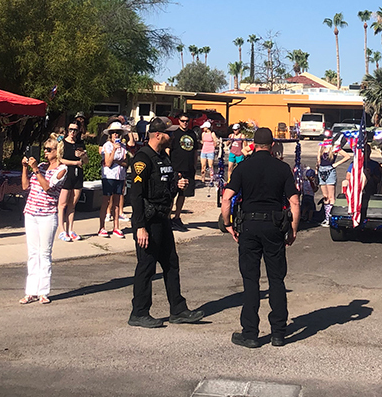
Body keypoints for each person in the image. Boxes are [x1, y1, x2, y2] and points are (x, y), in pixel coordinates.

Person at [222, 127, 300, 349]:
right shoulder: (282, 168)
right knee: (276, 280)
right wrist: (293, 229)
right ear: (273, 145)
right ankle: (278, 333)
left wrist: (227, 224)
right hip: (274, 227)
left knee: (251, 281)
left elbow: (227, 199)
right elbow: (294, 202)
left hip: (248, 227)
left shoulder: (242, 167)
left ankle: (251, 334)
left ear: (253, 144)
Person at [127, 117, 205, 328]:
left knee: (171, 264)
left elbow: (165, 187)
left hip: (163, 219)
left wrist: (177, 185)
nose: (171, 136)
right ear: (158, 135)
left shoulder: (163, 158)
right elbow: (136, 195)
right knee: (146, 266)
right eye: (168, 133)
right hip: (149, 222)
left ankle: (178, 309)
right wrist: (140, 226)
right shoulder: (143, 159)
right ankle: (139, 312)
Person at [19, 134, 67, 305]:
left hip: (47, 214)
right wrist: (25, 168)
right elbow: (25, 186)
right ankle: (30, 291)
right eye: (44, 149)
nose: (45, 153)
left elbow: (48, 187)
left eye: (49, 150)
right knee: (32, 253)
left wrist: (36, 170)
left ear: (57, 151)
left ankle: (43, 291)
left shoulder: (61, 170)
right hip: (31, 213)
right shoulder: (39, 166)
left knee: (44, 253)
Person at [58, 122, 88, 242]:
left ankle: (70, 229)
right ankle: (61, 229)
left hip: (77, 175)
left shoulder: (80, 144)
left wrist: (83, 156)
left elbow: (86, 161)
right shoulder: (62, 143)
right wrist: (75, 162)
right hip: (66, 174)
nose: (72, 132)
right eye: (70, 129)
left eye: (75, 130)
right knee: (62, 204)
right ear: (67, 130)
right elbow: (59, 159)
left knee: (73, 203)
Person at [98, 121, 129, 238]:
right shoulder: (107, 146)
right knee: (106, 201)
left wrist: (119, 161)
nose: (116, 135)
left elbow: (126, 162)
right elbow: (108, 163)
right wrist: (114, 151)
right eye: (114, 132)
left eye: (118, 133)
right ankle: (102, 227)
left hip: (120, 176)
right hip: (109, 176)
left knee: (117, 202)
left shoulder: (123, 146)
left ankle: (116, 226)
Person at [168, 111, 198, 229]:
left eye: (187, 121)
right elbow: (168, 150)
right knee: (172, 194)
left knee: (183, 194)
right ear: (179, 121)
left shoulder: (193, 134)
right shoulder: (174, 134)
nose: (185, 123)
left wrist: (195, 166)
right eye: (183, 121)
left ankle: (177, 217)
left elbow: (195, 151)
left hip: (189, 168)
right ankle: (168, 218)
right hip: (176, 168)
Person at [316, 130, 348, 227]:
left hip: (330, 171)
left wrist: (335, 164)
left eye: (328, 138)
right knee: (325, 196)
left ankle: (332, 218)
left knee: (331, 197)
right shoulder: (321, 147)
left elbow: (347, 156)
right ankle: (326, 218)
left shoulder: (334, 148)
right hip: (321, 171)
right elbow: (318, 159)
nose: (326, 140)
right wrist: (316, 170)